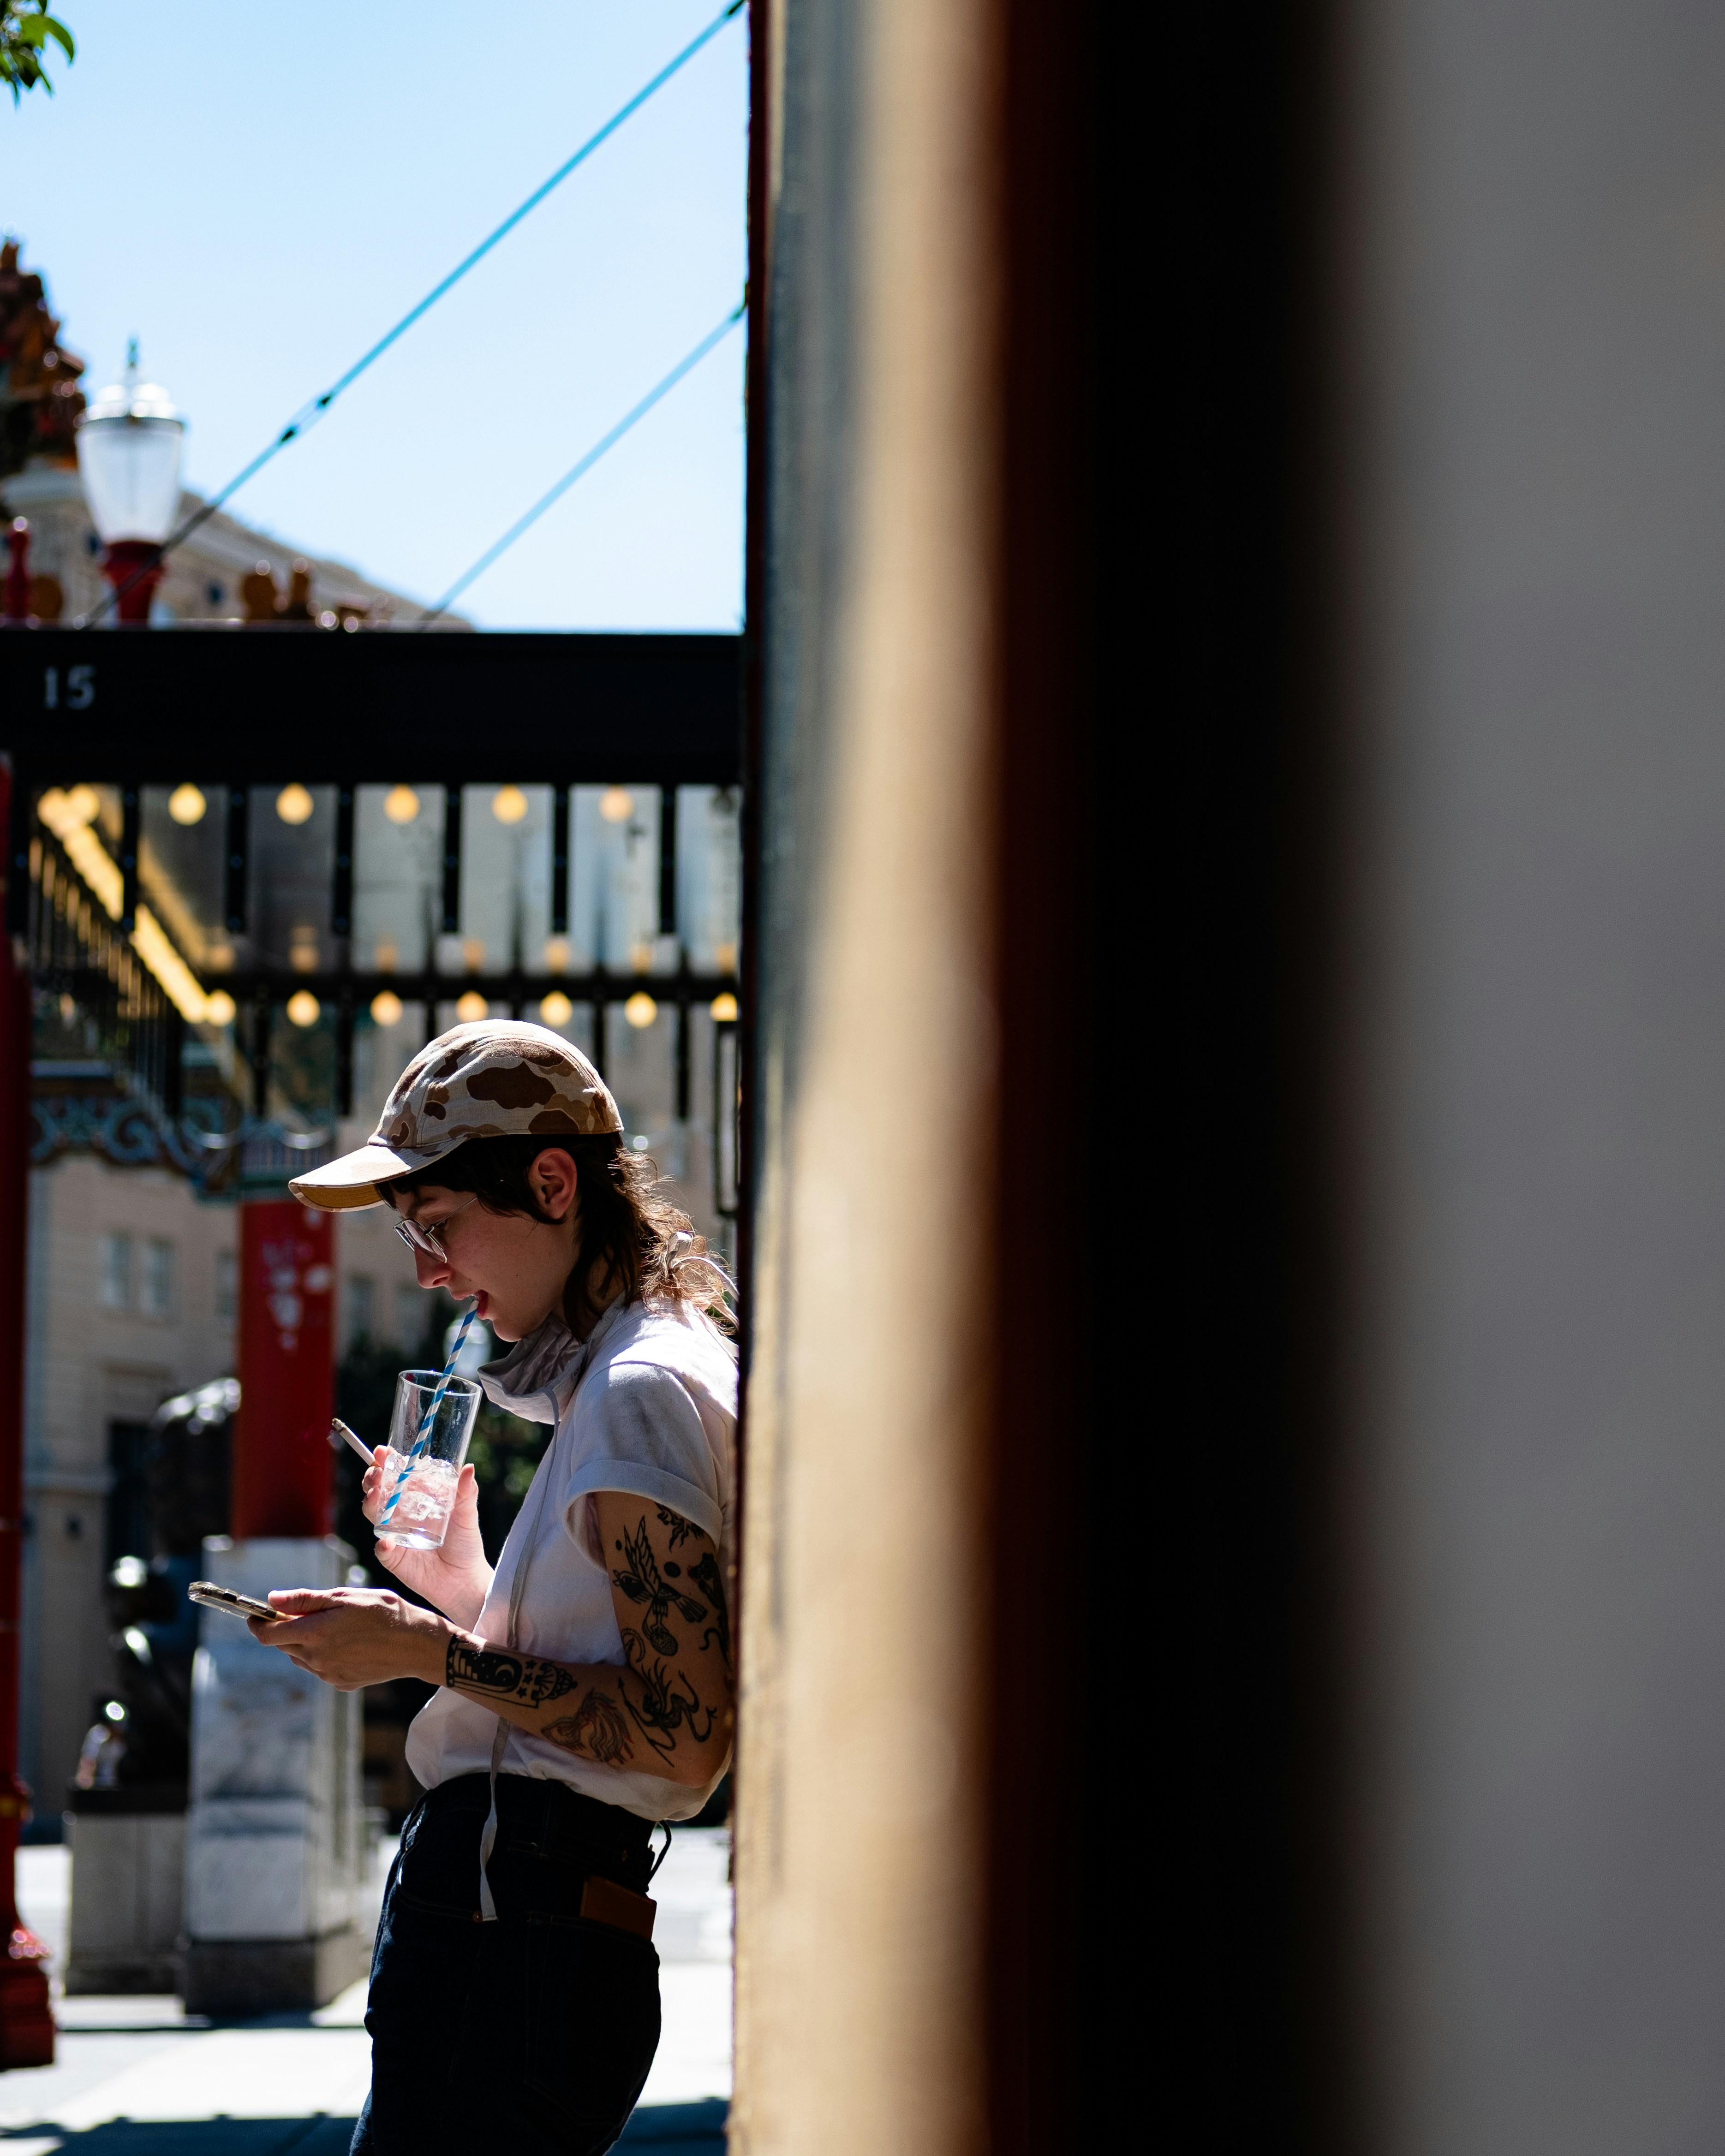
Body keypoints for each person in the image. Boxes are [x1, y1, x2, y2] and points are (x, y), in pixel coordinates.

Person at [253, 1020, 737, 2156]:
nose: (427, 1270)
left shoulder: (636, 1387)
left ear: (552, 1182)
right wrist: (461, 1586)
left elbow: (677, 1740)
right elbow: (610, 1690)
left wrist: (427, 1648)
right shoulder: (634, 1369)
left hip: (511, 1924)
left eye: (439, 1227)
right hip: (523, 1917)